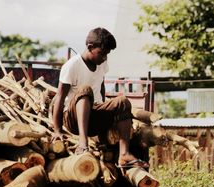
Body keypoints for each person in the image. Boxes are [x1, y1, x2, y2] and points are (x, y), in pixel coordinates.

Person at [51, 27, 148, 168]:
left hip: (94, 117)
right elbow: (59, 98)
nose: (105, 57)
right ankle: (83, 144)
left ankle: (124, 155)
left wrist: (105, 108)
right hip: (73, 120)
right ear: (90, 47)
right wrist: (57, 130)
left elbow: (101, 84)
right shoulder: (72, 66)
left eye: (107, 54)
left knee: (123, 101)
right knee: (85, 90)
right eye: (102, 53)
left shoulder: (102, 64)